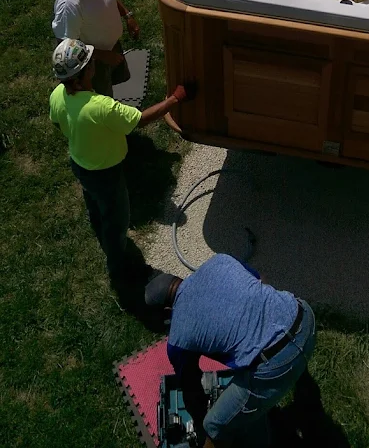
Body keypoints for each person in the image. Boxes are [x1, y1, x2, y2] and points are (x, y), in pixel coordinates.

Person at [49, 37, 192, 283]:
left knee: (93, 202)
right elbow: (140, 120)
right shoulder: (101, 107)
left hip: (80, 164)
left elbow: (56, 121)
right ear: (86, 73)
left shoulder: (57, 95)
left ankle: (98, 225)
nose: (94, 63)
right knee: (116, 221)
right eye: (91, 62)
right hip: (106, 174)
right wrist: (174, 99)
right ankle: (119, 268)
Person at [144, 256, 316, 448]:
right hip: (305, 317)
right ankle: (300, 377)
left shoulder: (178, 340)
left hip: (280, 363)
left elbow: (191, 389)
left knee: (214, 426)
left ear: (167, 311)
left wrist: (201, 426)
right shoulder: (219, 261)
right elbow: (261, 281)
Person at [52, 0, 140, 97]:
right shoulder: (69, 3)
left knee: (117, 78)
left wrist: (127, 15)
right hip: (93, 60)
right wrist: (103, 55)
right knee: (102, 95)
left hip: (113, 45)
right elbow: (66, 44)